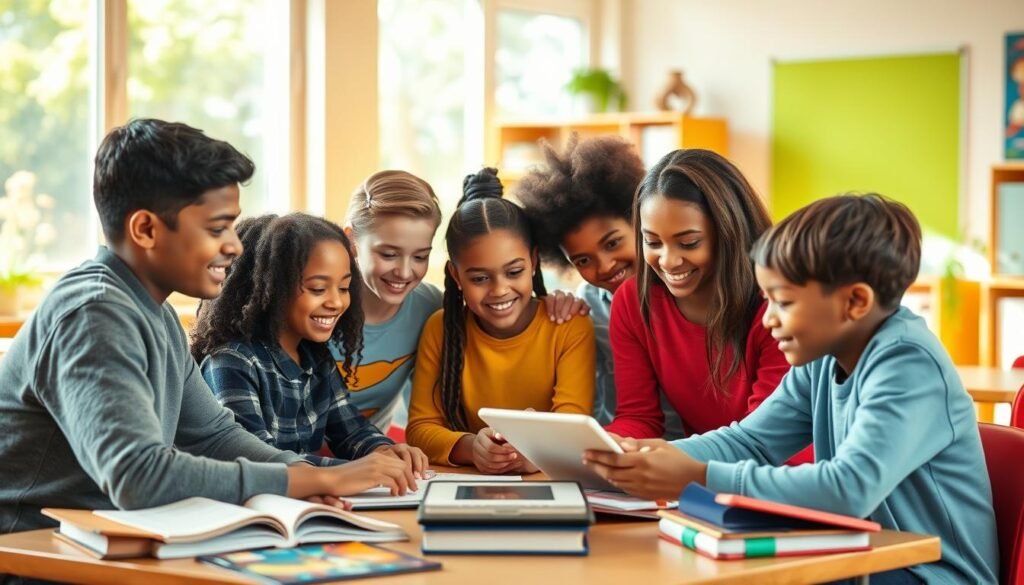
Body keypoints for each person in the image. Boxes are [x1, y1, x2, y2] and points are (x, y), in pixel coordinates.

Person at [0, 119, 415, 540]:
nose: (235, 245)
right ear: (145, 229)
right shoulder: (94, 313)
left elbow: (215, 435)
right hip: (32, 550)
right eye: (217, 228)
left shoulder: (153, 313)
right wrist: (314, 480)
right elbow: (137, 475)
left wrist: (303, 474)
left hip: (102, 542)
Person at [585, 194, 998, 584]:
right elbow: (753, 440)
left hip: (929, 573)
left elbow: (848, 489)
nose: (767, 320)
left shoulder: (907, 362)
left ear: (854, 302)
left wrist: (697, 475)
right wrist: (654, 457)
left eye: (782, 302)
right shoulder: (824, 355)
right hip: (860, 557)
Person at [338, 170, 590, 434]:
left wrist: (560, 299)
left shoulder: (430, 308)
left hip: (367, 451)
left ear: (533, 262)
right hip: (305, 453)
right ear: (352, 240)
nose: (403, 272)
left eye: (420, 256)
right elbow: (424, 427)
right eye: (389, 254)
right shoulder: (318, 304)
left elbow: (426, 421)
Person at [191, 212, 428, 477]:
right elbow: (256, 456)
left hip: (302, 498)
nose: (336, 303)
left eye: (344, 287)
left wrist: (384, 451)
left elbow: (351, 430)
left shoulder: (316, 359)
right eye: (318, 289)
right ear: (270, 289)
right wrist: (351, 471)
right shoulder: (231, 362)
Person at [406, 168, 596, 473]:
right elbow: (421, 428)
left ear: (533, 262)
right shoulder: (440, 329)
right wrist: (472, 448)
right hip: (470, 481)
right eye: (480, 277)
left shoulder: (568, 325)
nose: (499, 290)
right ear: (456, 276)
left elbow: (572, 423)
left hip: (549, 481)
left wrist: (536, 449)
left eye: (514, 272)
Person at [603, 149, 794, 448]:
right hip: (704, 471)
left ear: (730, 232)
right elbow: (639, 418)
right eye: (652, 242)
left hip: (782, 476)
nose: (668, 261)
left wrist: (669, 455)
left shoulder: (778, 305)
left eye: (689, 243)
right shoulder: (633, 301)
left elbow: (765, 439)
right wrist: (604, 446)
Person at [515, 134, 684, 437]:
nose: (604, 266)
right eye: (582, 260)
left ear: (641, 221)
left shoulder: (685, 288)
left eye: (613, 243)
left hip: (692, 447)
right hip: (623, 439)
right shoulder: (589, 304)